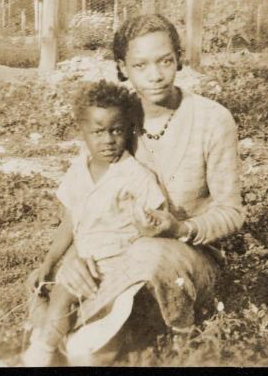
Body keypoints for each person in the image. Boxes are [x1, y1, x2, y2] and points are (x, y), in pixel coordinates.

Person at [55, 13, 245, 365]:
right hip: (113, 251)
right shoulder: (115, 118)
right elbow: (85, 197)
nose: (155, 75)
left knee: (148, 254)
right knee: (71, 276)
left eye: (165, 61)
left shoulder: (212, 119)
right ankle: (85, 335)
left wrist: (181, 228)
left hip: (190, 259)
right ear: (122, 67)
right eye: (140, 65)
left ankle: (78, 336)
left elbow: (232, 212)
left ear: (179, 59)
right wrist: (71, 259)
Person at [21, 79, 167, 367]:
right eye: (98, 132)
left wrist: (148, 224)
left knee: (99, 340)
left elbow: (157, 223)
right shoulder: (79, 169)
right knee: (59, 293)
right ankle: (42, 351)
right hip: (85, 263)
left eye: (117, 130)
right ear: (83, 131)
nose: (108, 140)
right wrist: (49, 261)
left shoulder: (135, 176)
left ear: (128, 130)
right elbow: (70, 220)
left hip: (120, 267)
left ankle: (83, 342)